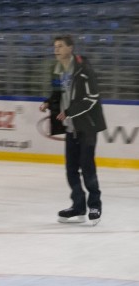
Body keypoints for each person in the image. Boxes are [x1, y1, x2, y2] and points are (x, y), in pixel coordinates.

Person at [39, 35, 107, 225]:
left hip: (87, 125)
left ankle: (95, 205)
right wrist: (48, 102)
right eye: (55, 46)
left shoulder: (83, 68)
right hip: (70, 126)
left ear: (70, 48)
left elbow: (92, 97)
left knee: (87, 167)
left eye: (60, 46)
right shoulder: (56, 69)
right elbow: (57, 92)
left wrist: (70, 111)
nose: (56, 49)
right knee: (70, 169)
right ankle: (78, 206)